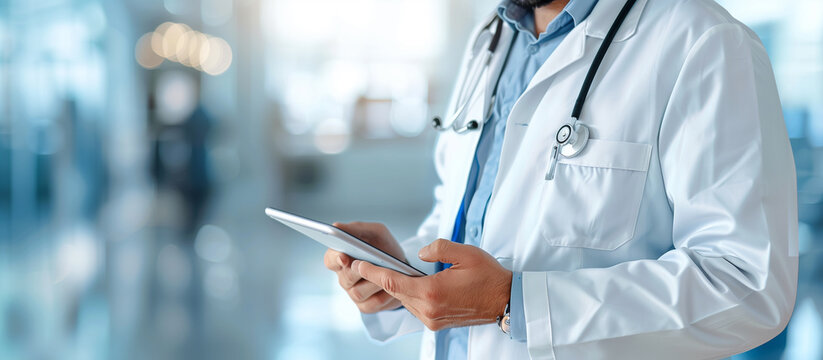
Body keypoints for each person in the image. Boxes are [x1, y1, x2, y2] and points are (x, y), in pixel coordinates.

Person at [323, 0, 799, 358]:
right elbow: (473, 218)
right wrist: (403, 273)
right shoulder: (492, 37)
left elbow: (747, 286)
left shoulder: (704, 41)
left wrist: (518, 303)